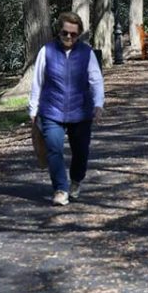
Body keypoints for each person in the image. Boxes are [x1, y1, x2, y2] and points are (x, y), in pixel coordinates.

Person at [29, 12, 105, 206]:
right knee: (54, 149)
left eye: (73, 34)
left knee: (81, 152)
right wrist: (33, 110)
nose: (69, 37)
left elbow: (96, 81)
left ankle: (76, 180)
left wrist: (98, 105)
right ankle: (60, 189)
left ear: (78, 35)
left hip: (80, 111)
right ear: (59, 32)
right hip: (51, 110)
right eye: (65, 33)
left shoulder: (86, 53)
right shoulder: (46, 51)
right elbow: (37, 82)